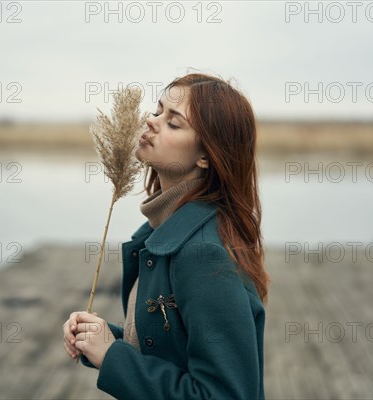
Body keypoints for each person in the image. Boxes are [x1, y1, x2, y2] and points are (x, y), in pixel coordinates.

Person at [63, 72, 269, 400]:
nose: (151, 121)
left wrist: (113, 357)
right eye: (158, 111)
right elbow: (171, 351)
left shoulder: (202, 253)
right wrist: (103, 342)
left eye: (174, 123)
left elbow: (224, 394)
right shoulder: (164, 233)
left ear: (206, 155)